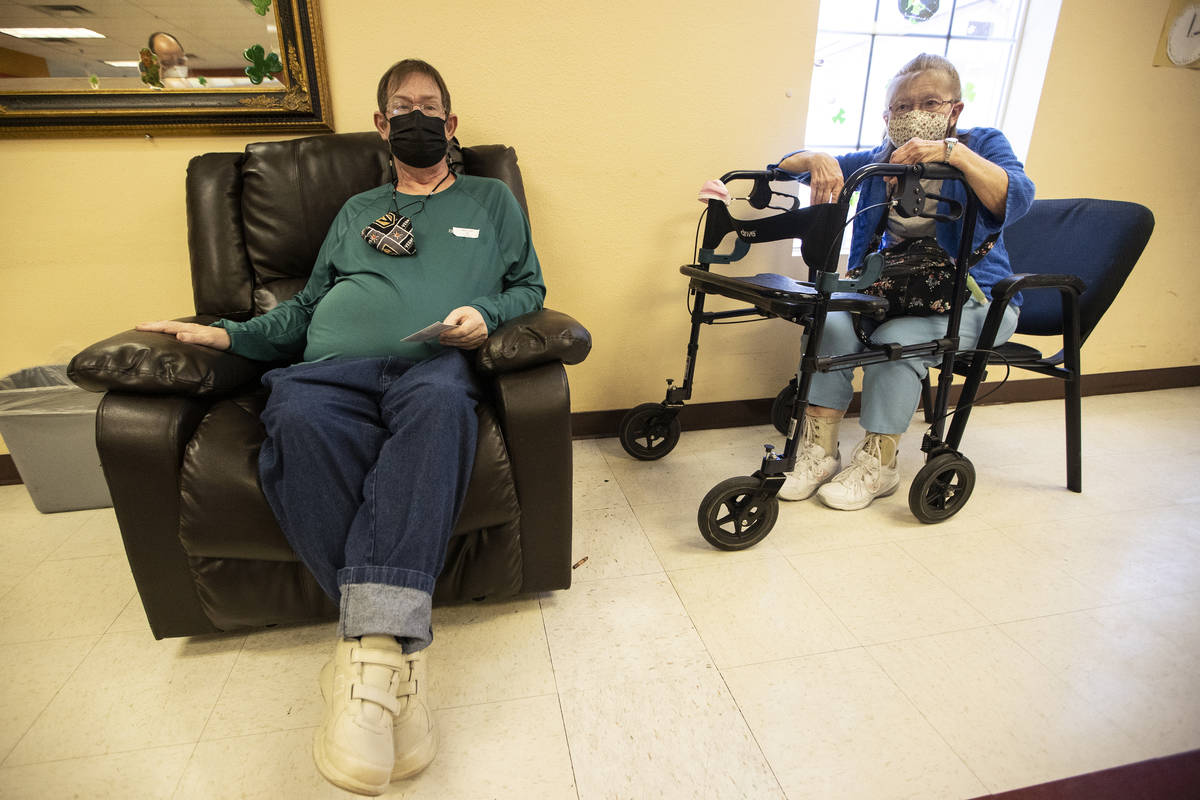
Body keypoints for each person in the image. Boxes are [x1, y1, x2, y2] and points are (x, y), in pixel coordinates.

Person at [136, 59, 545, 796]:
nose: (416, 118)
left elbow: (529, 286)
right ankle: (393, 657)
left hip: (432, 366)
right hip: (328, 371)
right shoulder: (357, 212)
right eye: (400, 108)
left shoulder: (489, 200)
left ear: (450, 127)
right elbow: (299, 311)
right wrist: (228, 337)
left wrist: (489, 315)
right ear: (382, 127)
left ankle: (363, 664)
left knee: (442, 410)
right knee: (293, 416)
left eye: (430, 108)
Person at [769, 53, 1034, 510]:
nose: (914, 114)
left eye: (929, 102)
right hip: (891, 289)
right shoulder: (878, 160)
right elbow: (783, 165)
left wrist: (954, 155)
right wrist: (817, 157)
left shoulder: (981, 144)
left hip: (973, 299)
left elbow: (1018, 196)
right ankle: (818, 452)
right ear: (886, 116)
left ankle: (880, 463)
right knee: (828, 320)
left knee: (895, 340)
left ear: (954, 110)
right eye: (901, 106)